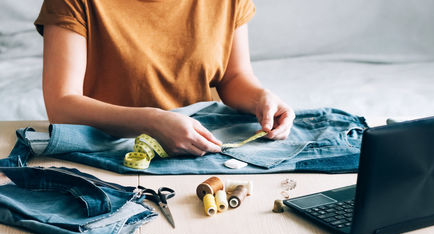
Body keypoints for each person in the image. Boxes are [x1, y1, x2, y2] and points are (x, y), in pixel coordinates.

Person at [34, 0, 295, 157]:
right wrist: (152, 121)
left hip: (200, 152)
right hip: (109, 151)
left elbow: (234, 77)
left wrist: (261, 98)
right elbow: (61, 105)